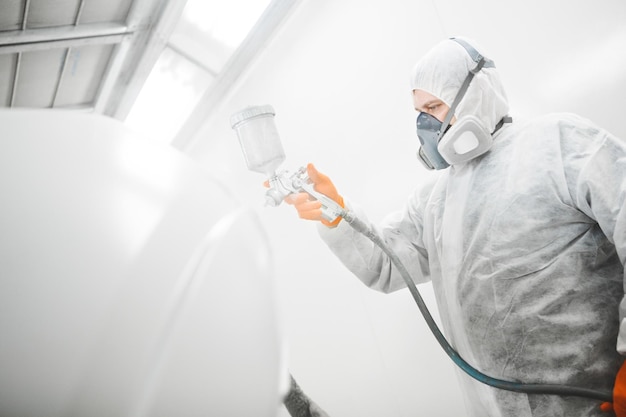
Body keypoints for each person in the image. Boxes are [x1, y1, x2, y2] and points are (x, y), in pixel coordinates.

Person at [282, 37, 626, 417]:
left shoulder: (558, 142)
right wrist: (338, 214)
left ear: (475, 96)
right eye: (418, 112)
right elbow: (383, 265)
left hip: (600, 401)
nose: (425, 124)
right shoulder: (435, 201)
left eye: (433, 106)